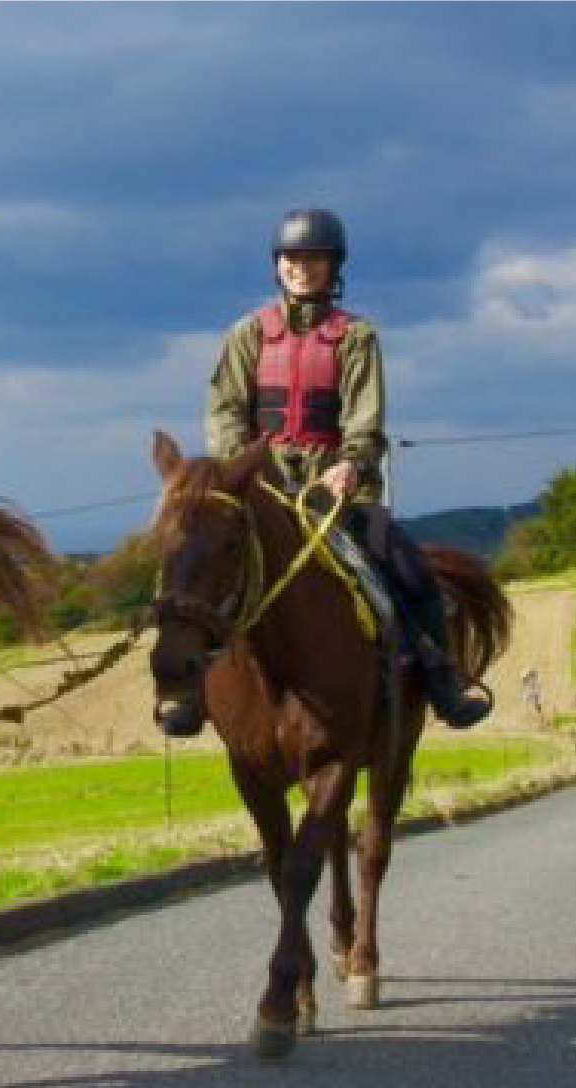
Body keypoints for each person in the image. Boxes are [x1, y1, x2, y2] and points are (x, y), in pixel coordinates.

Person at [202, 208, 492, 728]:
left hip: (335, 488)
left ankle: (441, 676)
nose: (301, 268)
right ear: (277, 264)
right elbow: (224, 409)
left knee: (404, 561)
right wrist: (240, 465)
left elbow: (365, 416)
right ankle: (186, 688)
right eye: (292, 257)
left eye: (314, 259)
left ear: (334, 268)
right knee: (196, 557)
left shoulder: (356, 337)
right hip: (263, 485)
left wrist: (351, 466)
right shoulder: (246, 334)